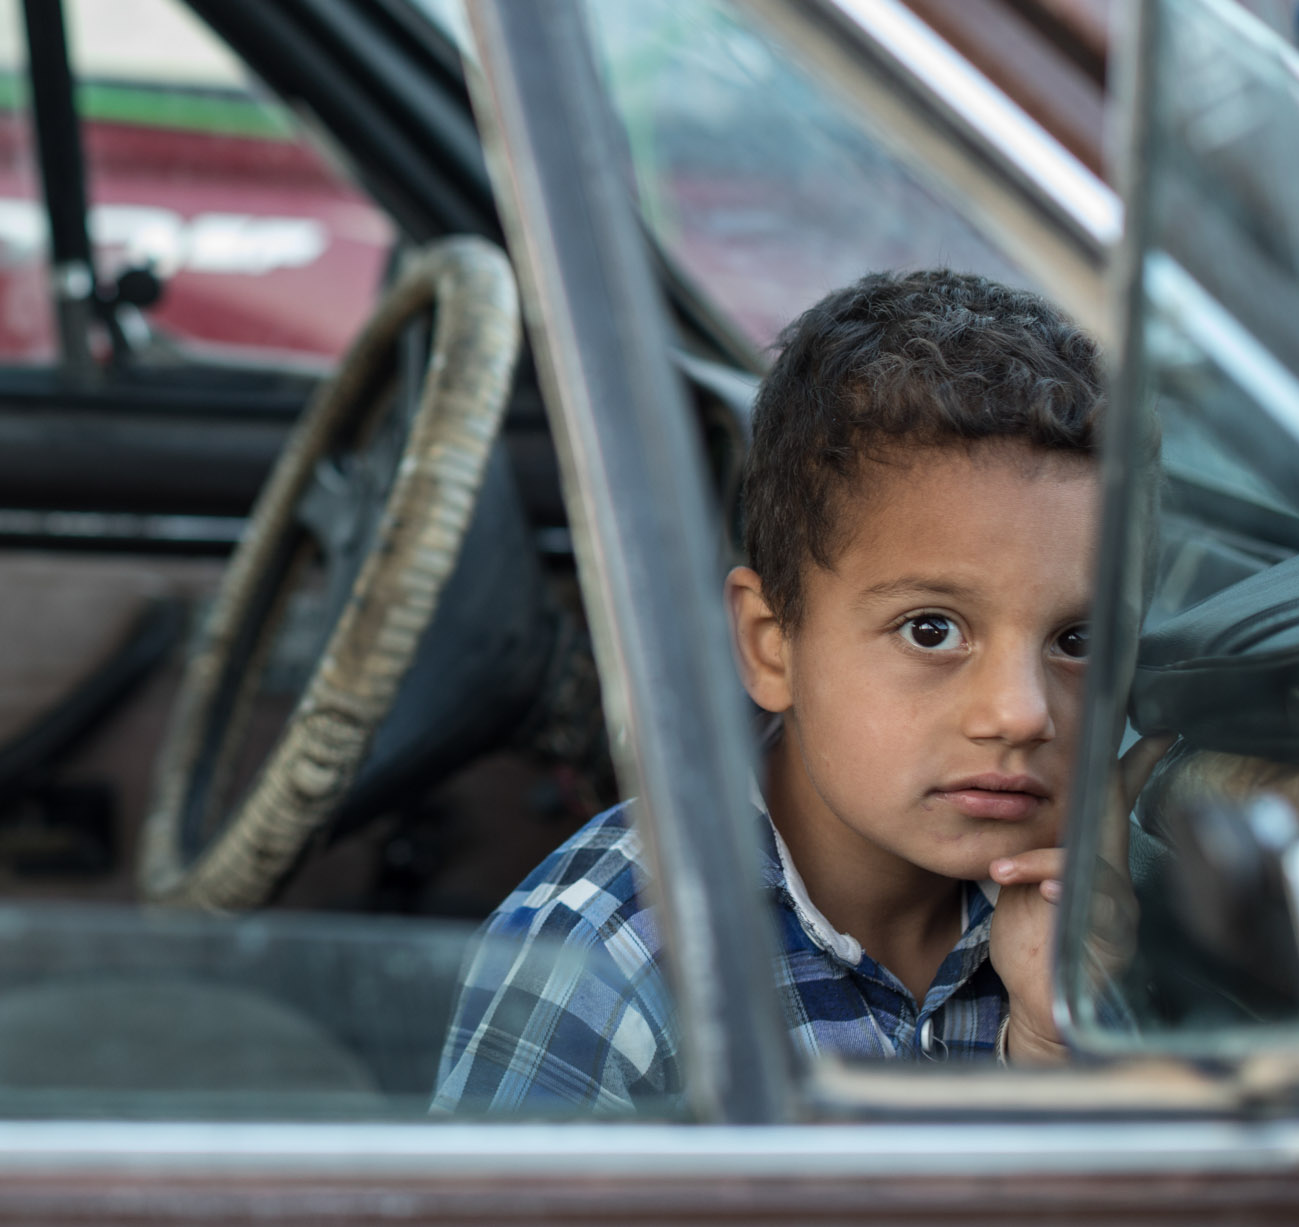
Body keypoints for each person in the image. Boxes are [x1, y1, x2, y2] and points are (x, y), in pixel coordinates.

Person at [432, 269, 1163, 1113]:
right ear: (769, 644)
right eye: (931, 629)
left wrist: (1048, 1042)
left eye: (1080, 641)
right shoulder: (603, 961)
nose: (1022, 712)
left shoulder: (1082, 918)